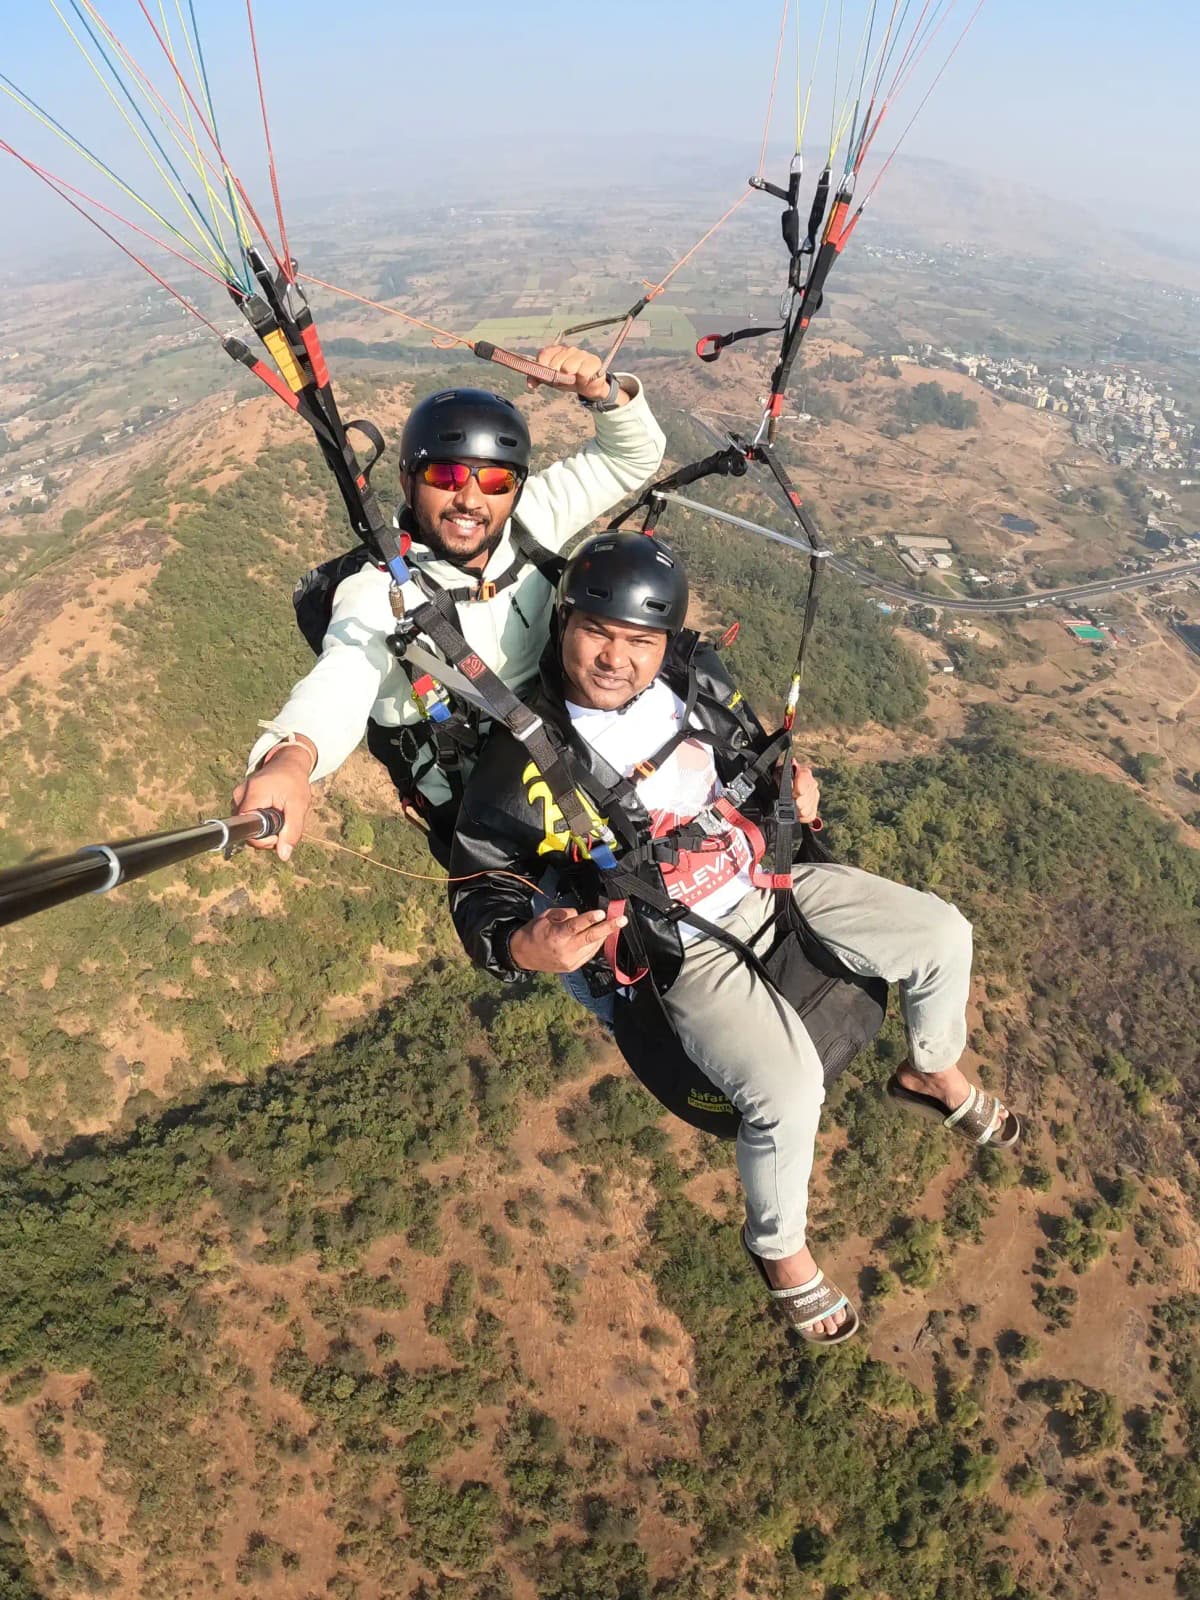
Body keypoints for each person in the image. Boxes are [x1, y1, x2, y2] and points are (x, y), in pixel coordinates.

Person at [447, 533, 1021, 1346]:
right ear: (563, 624)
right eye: (596, 634)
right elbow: (479, 880)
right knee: (787, 1092)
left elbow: (751, 756)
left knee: (940, 933)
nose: (615, 659)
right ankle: (779, 1249)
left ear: (665, 644)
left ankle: (930, 1068)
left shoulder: (694, 682)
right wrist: (523, 946)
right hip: (678, 939)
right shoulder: (528, 755)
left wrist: (796, 795)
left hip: (770, 878)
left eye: (639, 643)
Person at [232, 346, 666, 861]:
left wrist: (605, 393)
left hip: (579, 754)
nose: (471, 500)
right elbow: (342, 676)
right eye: (446, 477)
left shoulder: (531, 521)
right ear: (406, 480)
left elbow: (631, 455)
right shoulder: (381, 591)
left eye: (497, 480)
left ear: (516, 487)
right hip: (493, 817)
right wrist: (291, 757)